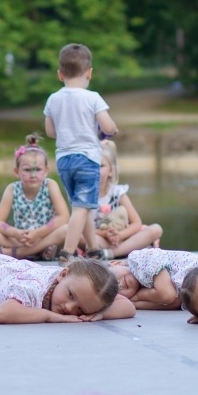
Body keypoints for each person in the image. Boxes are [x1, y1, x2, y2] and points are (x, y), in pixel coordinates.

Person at [44, 43, 118, 264]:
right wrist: (111, 131)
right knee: (82, 206)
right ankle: (67, 252)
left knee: (81, 206)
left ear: (60, 74)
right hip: (87, 159)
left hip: (64, 160)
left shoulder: (53, 99)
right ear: (89, 73)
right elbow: (108, 127)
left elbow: (50, 132)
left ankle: (94, 248)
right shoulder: (92, 97)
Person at [0, 250, 135, 323]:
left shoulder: (81, 287)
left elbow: (128, 307)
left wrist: (99, 314)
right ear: (63, 274)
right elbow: (3, 313)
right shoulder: (34, 289)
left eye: (81, 309)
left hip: (1, 271)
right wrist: (52, 317)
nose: (70, 308)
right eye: (70, 295)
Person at [0, 133, 68, 261]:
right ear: (17, 172)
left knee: (66, 230)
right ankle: (38, 252)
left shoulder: (50, 185)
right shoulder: (12, 189)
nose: (33, 175)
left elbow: (64, 217)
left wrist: (38, 233)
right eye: (27, 170)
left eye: (38, 170)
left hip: (45, 236)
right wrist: (16, 233)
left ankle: (16, 253)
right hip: (21, 239)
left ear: (46, 171)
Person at [89, 140, 162, 259]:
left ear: (111, 171)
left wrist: (119, 235)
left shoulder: (118, 193)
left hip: (122, 238)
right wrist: (105, 234)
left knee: (155, 229)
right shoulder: (84, 196)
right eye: (92, 166)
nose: (95, 170)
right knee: (80, 236)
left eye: (101, 166)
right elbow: (82, 228)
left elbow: (136, 223)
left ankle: (111, 253)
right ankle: (116, 250)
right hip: (100, 239)